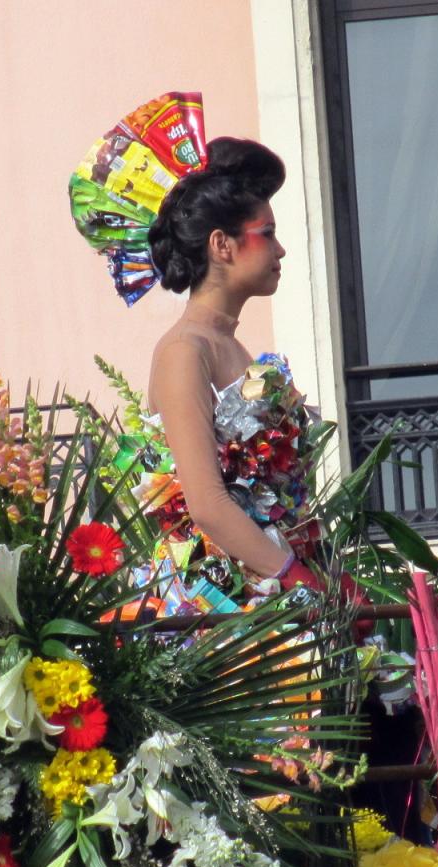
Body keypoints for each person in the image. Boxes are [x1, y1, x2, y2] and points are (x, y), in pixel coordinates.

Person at [145, 137, 319, 592]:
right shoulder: (185, 350)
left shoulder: (233, 348)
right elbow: (205, 503)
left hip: (273, 585)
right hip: (216, 605)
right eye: (268, 234)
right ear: (222, 244)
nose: (280, 251)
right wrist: (294, 577)